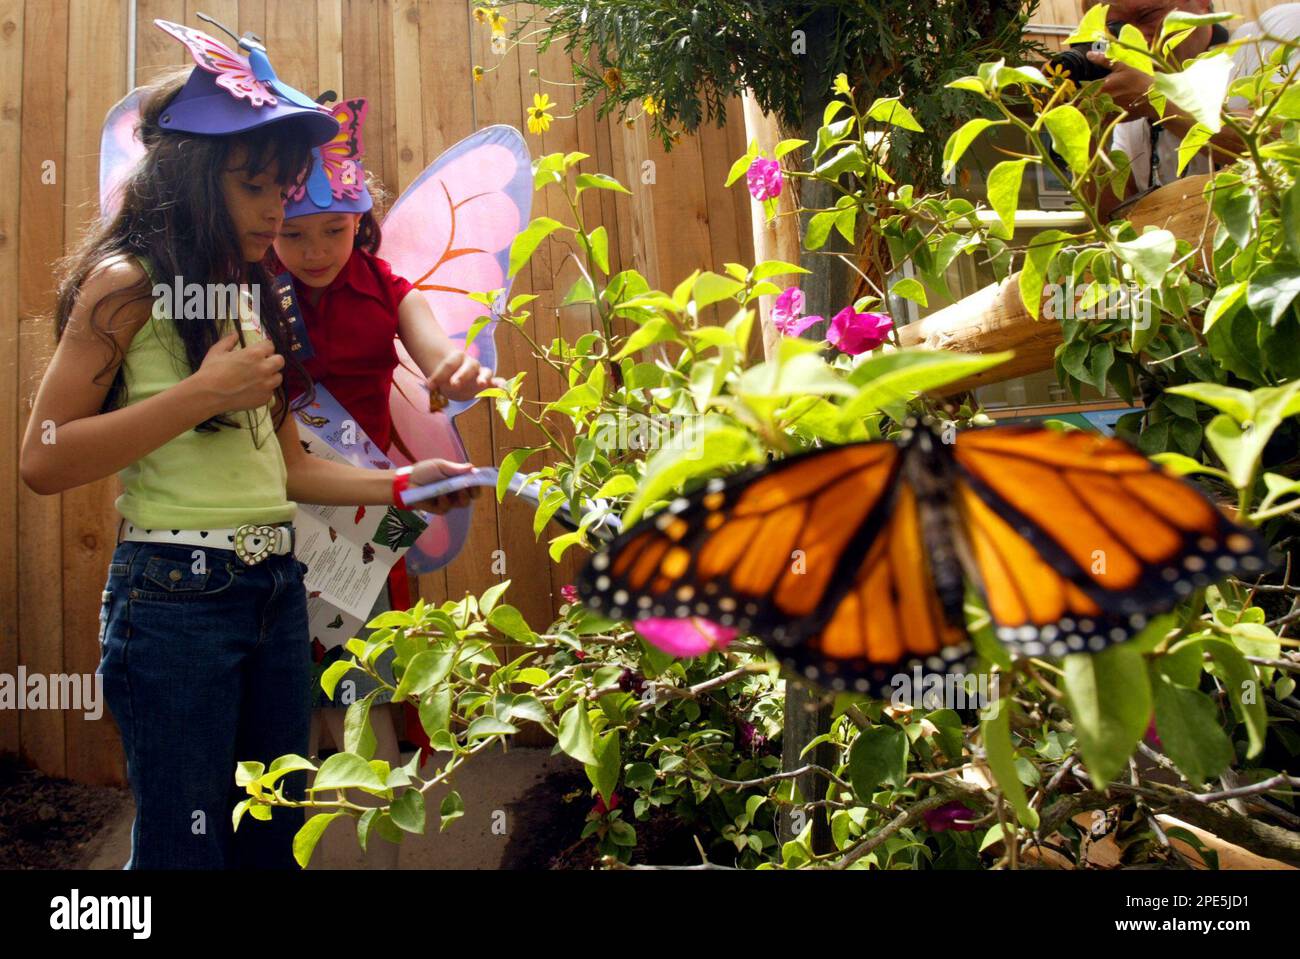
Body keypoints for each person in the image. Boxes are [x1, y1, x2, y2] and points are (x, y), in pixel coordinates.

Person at [18, 20, 471, 869]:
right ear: (193, 176)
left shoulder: (249, 292)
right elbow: (44, 457)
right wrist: (200, 396)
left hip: (276, 590)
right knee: (183, 853)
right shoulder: (127, 282)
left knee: (270, 841)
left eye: (287, 185)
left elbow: (291, 468)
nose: (278, 208)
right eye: (257, 186)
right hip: (177, 599)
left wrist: (409, 484)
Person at [269, 96, 504, 862]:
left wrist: (456, 368)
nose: (314, 250)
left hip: (372, 510)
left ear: (361, 217)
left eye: (333, 229)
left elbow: (438, 353)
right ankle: (291, 832)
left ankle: (374, 843)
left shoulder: (387, 286)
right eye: (293, 233)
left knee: (365, 674)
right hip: (278, 506)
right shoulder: (248, 295)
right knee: (288, 688)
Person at [1083, 0, 1300, 218]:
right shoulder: (1133, 94)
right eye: (1115, 29)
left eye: (1148, 15)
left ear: (1202, 3)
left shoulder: (1272, 34)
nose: (1135, 39)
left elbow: (1288, 142)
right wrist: (1083, 131)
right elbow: (1114, 220)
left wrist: (1155, 99)